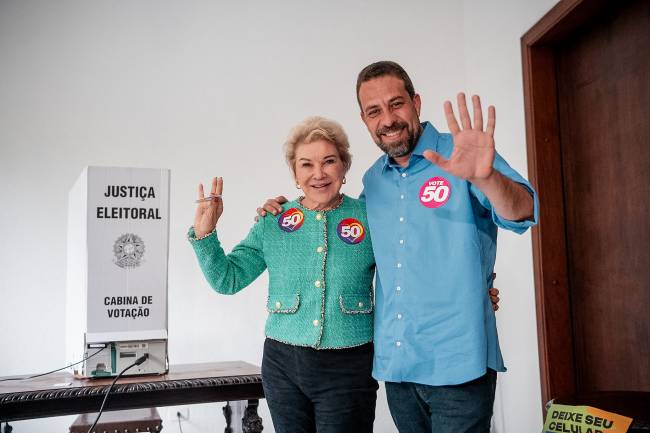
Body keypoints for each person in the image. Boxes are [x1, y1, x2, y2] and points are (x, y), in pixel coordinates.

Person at [257, 61, 538, 433]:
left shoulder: (462, 156)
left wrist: (486, 178)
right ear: (364, 119)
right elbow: (342, 244)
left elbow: (523, 211)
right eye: (374, 111)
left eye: (396, 104)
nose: (387, 119)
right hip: (399, 367)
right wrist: (281, 212)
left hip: (459, 363)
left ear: (416, 102)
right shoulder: (373, 184)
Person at [188, 116, 379, 433]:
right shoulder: (274, 220)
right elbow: (227, 279)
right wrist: (205, 235)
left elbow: (405, 275)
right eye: (306, 165)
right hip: (282, 366)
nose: (318, 174)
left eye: (329, 161)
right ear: (295, 173)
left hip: (349, 365)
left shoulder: (370, 217)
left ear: (344, 167)